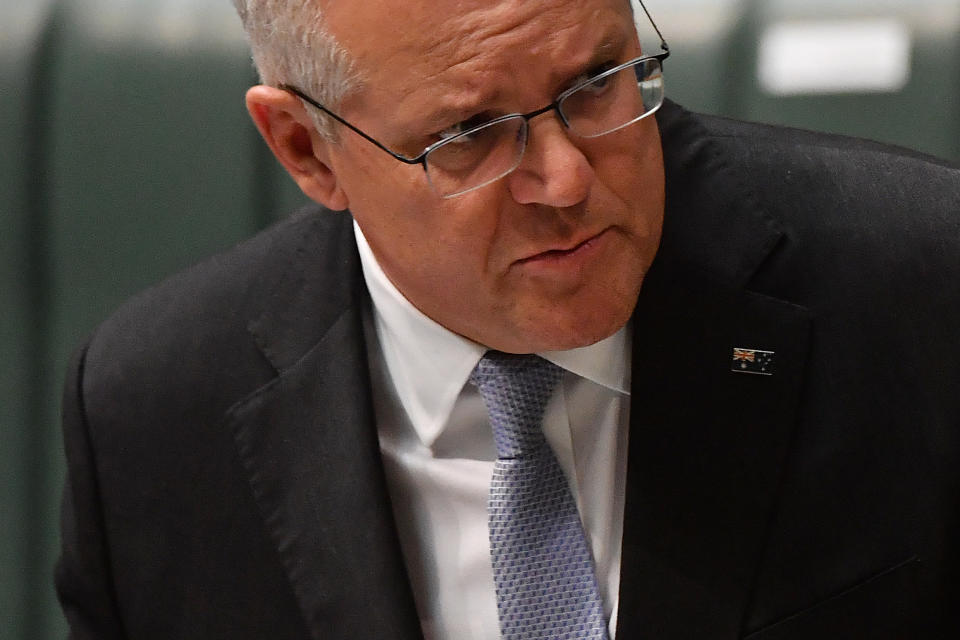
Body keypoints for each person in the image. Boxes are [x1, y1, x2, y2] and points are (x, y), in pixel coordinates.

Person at [55, 0, 960, 638]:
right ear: (306, 148)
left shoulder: (922, 290)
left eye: (599, 82)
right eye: (472, 135)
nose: (567, 179)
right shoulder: (152, 415)